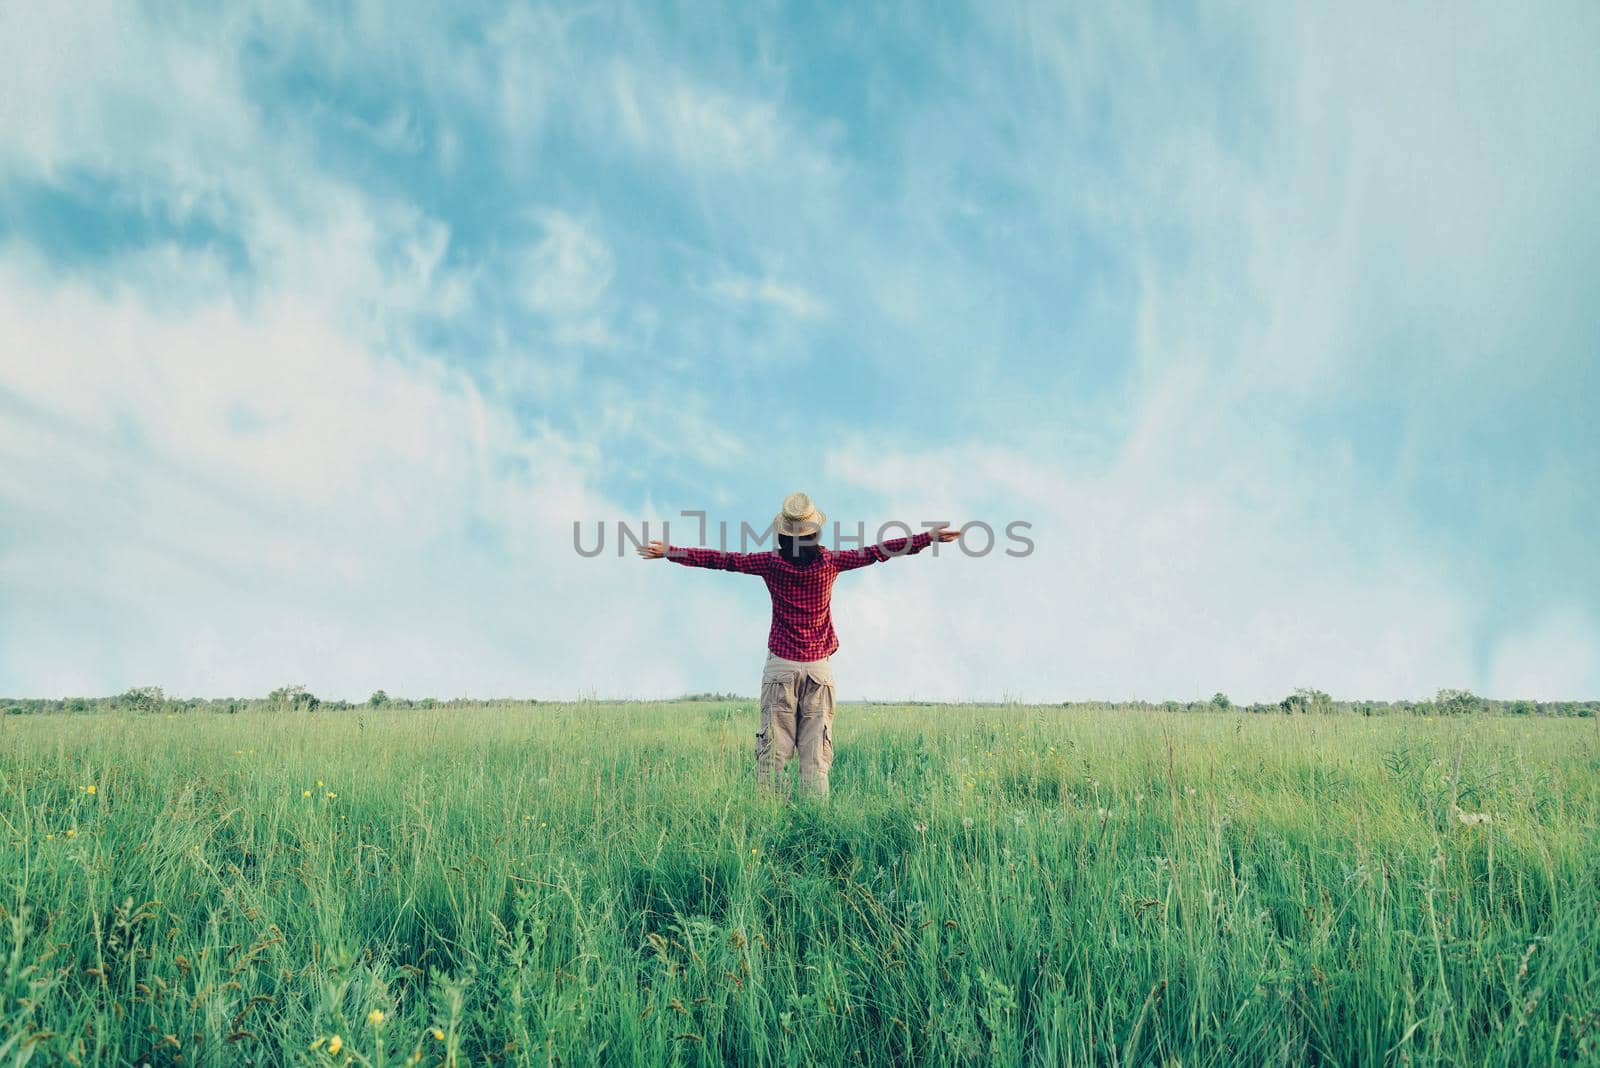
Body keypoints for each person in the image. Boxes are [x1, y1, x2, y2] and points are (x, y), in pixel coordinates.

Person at [637, 492, 959, 796]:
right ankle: (816, 822)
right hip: (819, 670)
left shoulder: (771, 564)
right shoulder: (830, 563)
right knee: (816, 756)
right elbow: (877, 552)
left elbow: (725, 560)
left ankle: (767, 819)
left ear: (782, 535)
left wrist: (670, 551)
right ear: (815, 533)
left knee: (773, 756)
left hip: (780, 668)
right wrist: (926, 538)